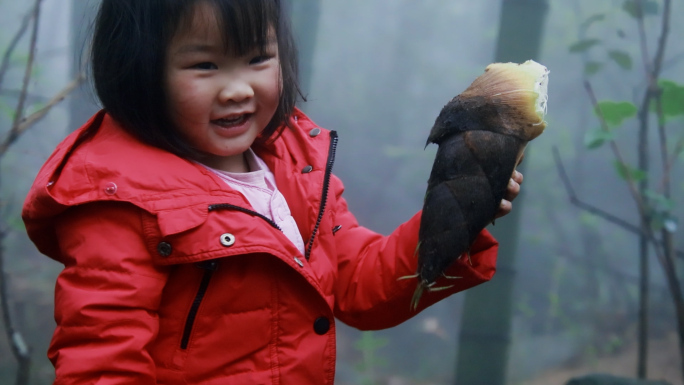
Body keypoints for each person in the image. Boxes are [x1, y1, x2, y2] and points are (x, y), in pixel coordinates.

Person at [21, 0, 523, 383]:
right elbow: (103, 359)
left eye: (258, 58)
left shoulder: (294, 166)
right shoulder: (117, 198)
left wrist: (453, 222)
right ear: (139, 69)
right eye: (205, 66)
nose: (238, 88)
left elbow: (356, 285)